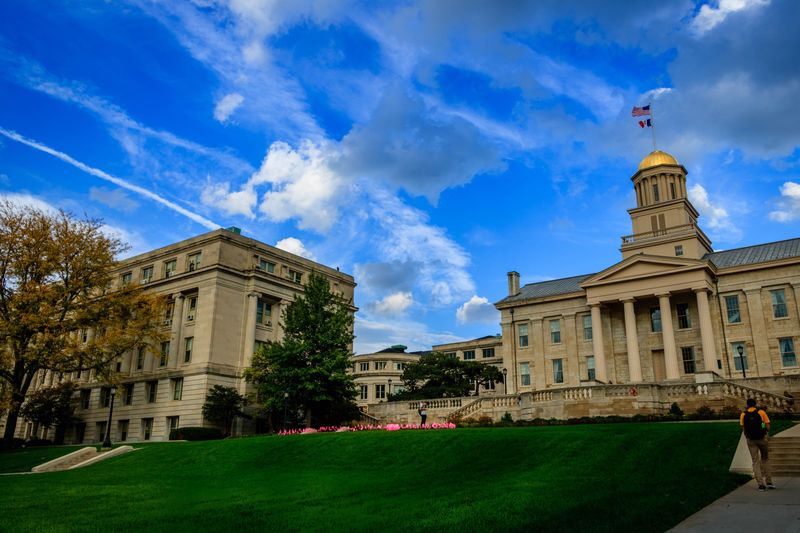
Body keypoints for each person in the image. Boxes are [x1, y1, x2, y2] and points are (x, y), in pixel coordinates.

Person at [740, 398, 774, 491]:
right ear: (755, 404)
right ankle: (769, 482)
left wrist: (747, 436)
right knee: (765, 459)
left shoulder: (743, 414)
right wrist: (765, 432)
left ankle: (761, 485)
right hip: (762, 438)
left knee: (755, 461)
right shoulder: (761, 412)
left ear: (747, 405)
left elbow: (743, 428)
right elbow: (765, 424)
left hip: (751, 440)